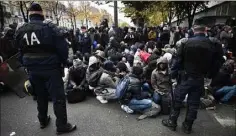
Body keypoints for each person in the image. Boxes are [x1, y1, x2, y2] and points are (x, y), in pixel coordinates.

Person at [14, 3, 76, 134]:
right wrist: (64, 62)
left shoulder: (21, 30)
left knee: (40, 96)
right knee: (57, 97)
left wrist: (25, 64)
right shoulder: (49, 28)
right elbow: (62, 48)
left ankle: (42, 120)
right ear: (41, 13)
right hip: (50, 68)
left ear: (30, 14)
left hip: (32, 69)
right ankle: (61, 125)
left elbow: (18, 51)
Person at [162, 19, 223, 134]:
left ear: (193, 30)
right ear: (205, 30)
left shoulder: (185, 42)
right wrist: (210, 75)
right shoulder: (213, 43)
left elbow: (177, 61)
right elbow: (218, 61)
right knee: (193, 104)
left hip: (185, 77)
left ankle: (172, 122)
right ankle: (187, 126)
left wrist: (172, 75)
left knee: (178, 100)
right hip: (199, 78)